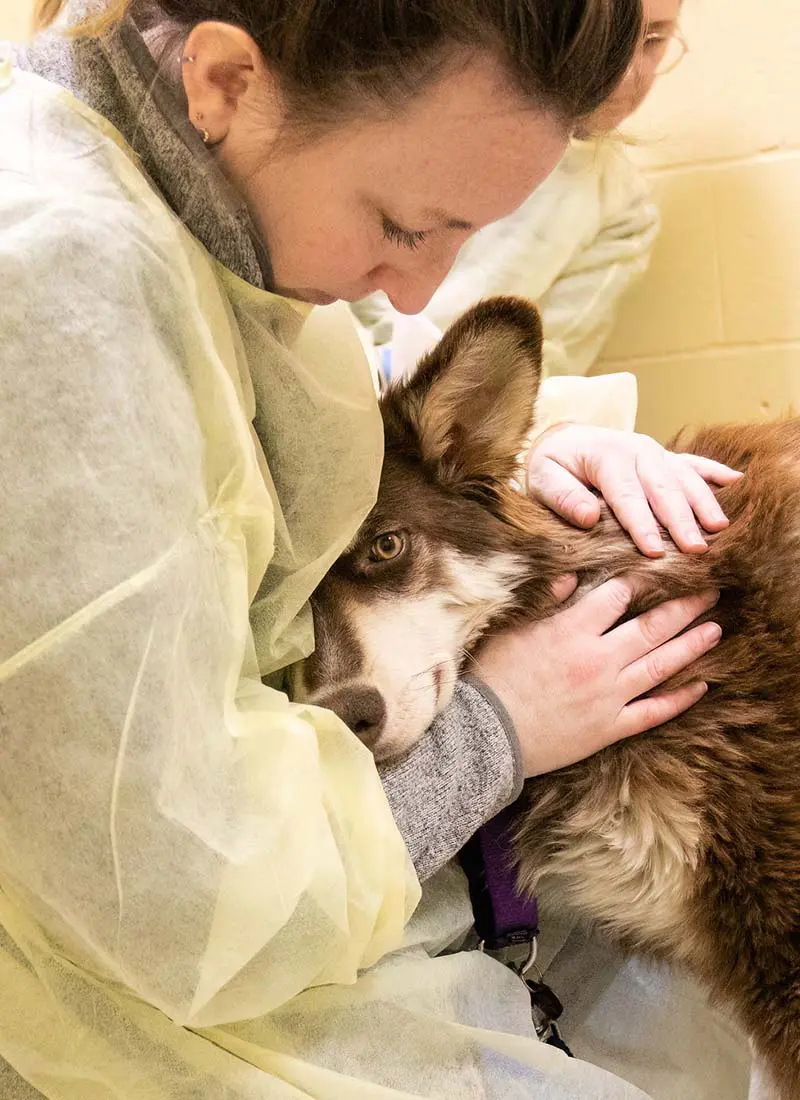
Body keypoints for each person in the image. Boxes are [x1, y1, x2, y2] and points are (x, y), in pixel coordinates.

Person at [0, 2, 740, 1098]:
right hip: (180, 998)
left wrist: (548, 442)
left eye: (460, 235)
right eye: (400, 225)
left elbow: (347, 384)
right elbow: (177, 894)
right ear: (226, 80)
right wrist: (493, 731)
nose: (416, 290)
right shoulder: (56, 283)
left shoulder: (205, 192)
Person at [352, 0, 686, 381]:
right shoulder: (421, 99)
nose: (623, 73)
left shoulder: (621, 204)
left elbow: (549, 370)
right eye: (611, 35)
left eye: (653, 40)